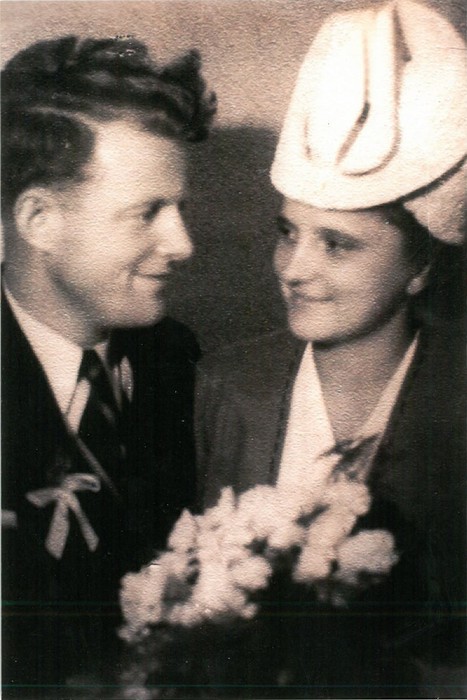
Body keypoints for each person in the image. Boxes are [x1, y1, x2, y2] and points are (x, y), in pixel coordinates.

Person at [196, 1, 466, 697]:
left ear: (420, 266)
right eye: (288, 232)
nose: (293, 269)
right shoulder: (224, 385)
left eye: (337, 245)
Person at [1, 36, 215, 695]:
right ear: (39, 219)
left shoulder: (175, 358)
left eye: (178, 209)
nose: (181, 243)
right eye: (147, 213)